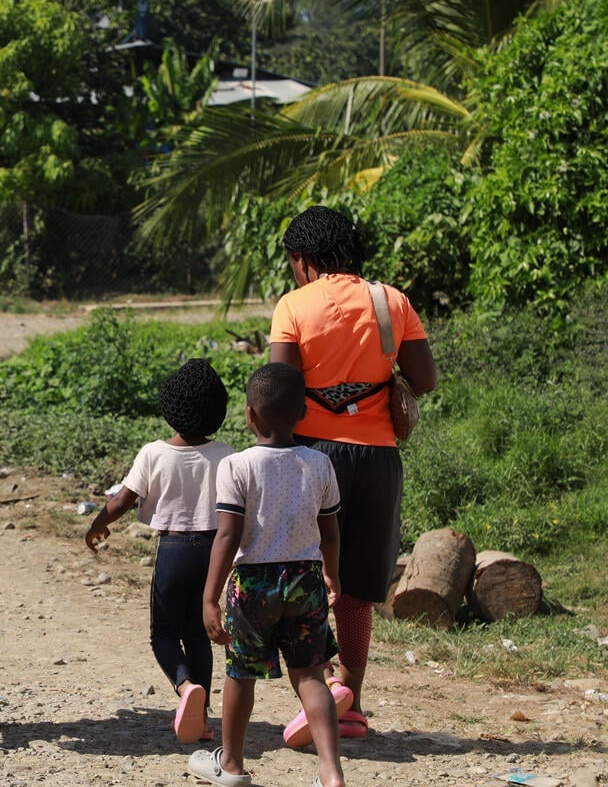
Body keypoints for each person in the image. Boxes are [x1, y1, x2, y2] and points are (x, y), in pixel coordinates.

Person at [267, 205, 438, 740]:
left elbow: (280, 390)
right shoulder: (392, 301)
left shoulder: (293, 306)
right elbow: (424, 379)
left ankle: (321, 687)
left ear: (303, 259)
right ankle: (353, 703)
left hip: (312, 455)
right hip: (377, 458)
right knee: (359, 589)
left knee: (308, 577)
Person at [191, 362, 345, 787]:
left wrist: (209, 597)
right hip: (306, 578)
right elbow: (331, 533)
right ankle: (331, 771)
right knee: (311, 675)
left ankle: (232, 764)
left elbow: (228, 536)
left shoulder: (237, 466)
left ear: (249, 415)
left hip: (253, 585)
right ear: (303, 413)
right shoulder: (320, 463)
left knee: (241, 674)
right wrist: (331, 575)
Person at [84, 359, 233, 745]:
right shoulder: (226, 454)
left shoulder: (154, 453)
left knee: (163, 634)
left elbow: (122, 500)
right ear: (218, 410)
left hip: (174, 550)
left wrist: (98, 523)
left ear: (170, 407)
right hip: (213, 551)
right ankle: (201, 719)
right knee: (197, 634)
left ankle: (185, 687)